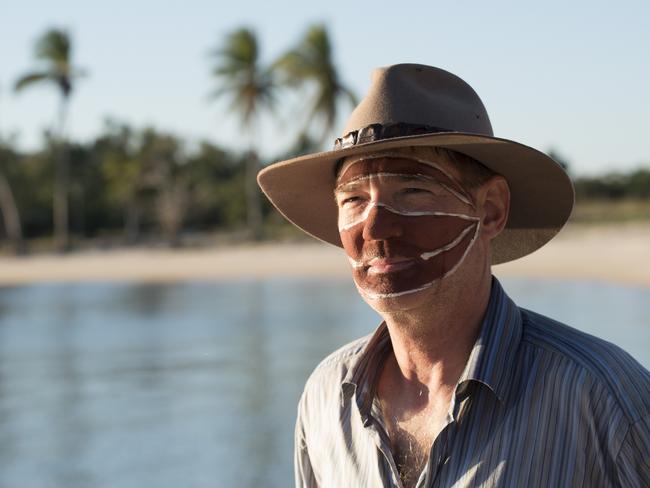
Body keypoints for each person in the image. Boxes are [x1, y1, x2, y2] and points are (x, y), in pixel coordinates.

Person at [257, 64, 650, 487]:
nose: (374, 228)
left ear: (491, 209)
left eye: (411, 191)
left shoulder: (602, 397)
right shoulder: (326, 398)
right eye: (353, 200)